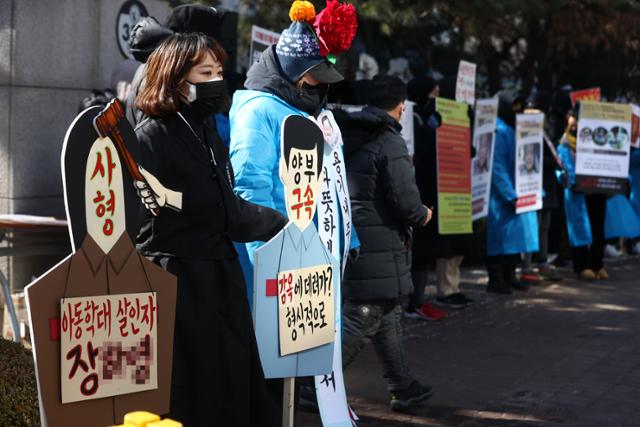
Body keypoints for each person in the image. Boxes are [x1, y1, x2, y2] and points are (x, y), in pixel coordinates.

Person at [133, 33, 286, 426]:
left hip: (219, 275)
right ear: (175, 78)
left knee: (231, 382)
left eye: (219, 71)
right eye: (206, 72)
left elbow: (226, 207)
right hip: (178, 281)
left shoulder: (206, 129)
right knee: (190, 391)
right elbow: (154, 215)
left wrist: (279, 225)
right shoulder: (150, 136)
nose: (217, 79)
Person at [337, 75, 434, 411]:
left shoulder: (344, 130)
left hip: (353, 235)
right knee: (364, 315)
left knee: (388, 312)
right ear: (401, 106)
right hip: (379, 241)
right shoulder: (389, 140)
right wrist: (422, 214)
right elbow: (405, 200)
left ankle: (402, 385)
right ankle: (314, 383)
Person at [409, 75, 476, 311]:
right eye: (432, 91)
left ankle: (451, 288)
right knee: (441, 245)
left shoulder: (445, 114)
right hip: (435, 188)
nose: (435, 95)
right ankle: (442, 291)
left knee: (458, 244)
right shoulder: (418, 116)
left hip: (453, 186)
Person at [485, 90, 539, 294]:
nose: (519, 110)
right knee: (500, 239)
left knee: (514, 239)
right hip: (502, 197)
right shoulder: (499, 131)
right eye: (514, 106)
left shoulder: (512, 128)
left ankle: (510, 277)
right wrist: (511, 195)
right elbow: (497, 168)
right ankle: (496, 280)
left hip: (516, 193)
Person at [557, 110, 608, 280]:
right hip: (577, 192)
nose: (574, 127)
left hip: (596, 191)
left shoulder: (597, 139)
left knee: (597, 227)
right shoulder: (564, 144)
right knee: (580, 228)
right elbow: (564, 166)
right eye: (572, 125)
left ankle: (597, 264)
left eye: (577, 123)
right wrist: (573, 182)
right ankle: (582, 266)